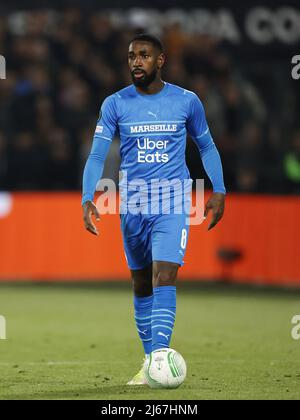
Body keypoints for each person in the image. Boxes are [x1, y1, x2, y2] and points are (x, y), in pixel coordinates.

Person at [81, 33, 226, 385]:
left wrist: (218, 188)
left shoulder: (186, 101)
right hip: (133, 204)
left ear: (160, 60)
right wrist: (88, 197)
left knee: (165, 274)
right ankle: (151, 364)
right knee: (141, 282)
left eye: (144, 55)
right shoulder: (115, 104)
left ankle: (160, 355)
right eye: (131, 55)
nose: (135, 61)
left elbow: (206, 147)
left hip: (172, 201)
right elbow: (98, 155)